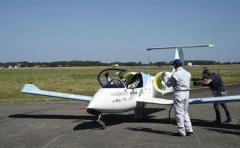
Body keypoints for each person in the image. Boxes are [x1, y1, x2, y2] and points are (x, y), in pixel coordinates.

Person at [163, 59, 193, 137]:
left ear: (175, 65)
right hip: (187, 93)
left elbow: (169, 84)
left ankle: (181, 131)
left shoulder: (175, 74)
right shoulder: (188, 73)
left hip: (179, 93)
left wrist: (165, 77)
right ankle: (189, 129)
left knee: (179, 113)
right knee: (185, 112)